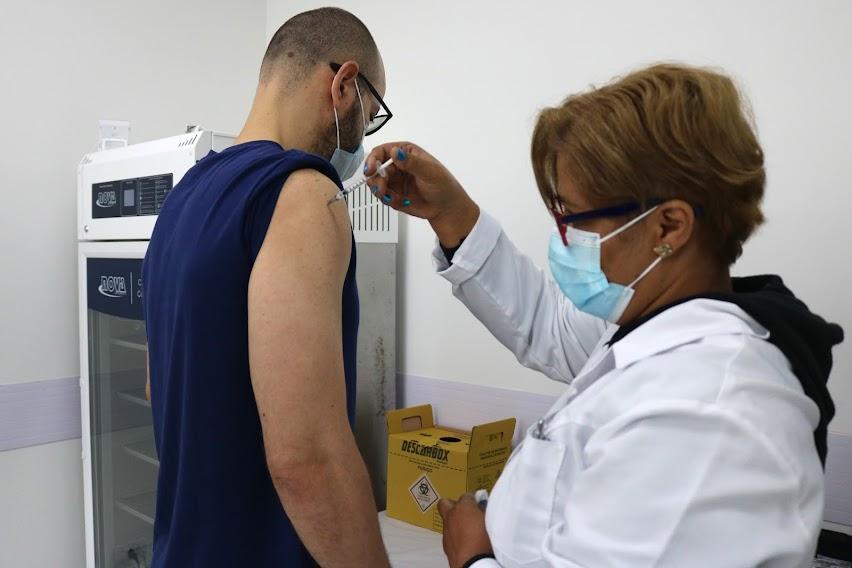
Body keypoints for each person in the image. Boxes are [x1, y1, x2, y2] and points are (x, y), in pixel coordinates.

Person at [365, 64, 844, 567]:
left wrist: (474, 556)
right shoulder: (650, 328)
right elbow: (548, 327)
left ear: (669, 226)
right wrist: (451, 213)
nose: (564, 238)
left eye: (573, 217)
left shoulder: (708, 412)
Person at [142, 8, 392, 567]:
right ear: (344, 84)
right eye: (369, 115)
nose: (362, 136)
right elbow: (309, 461)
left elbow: (160, 391)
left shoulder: (180, 199)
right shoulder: (301, 195)